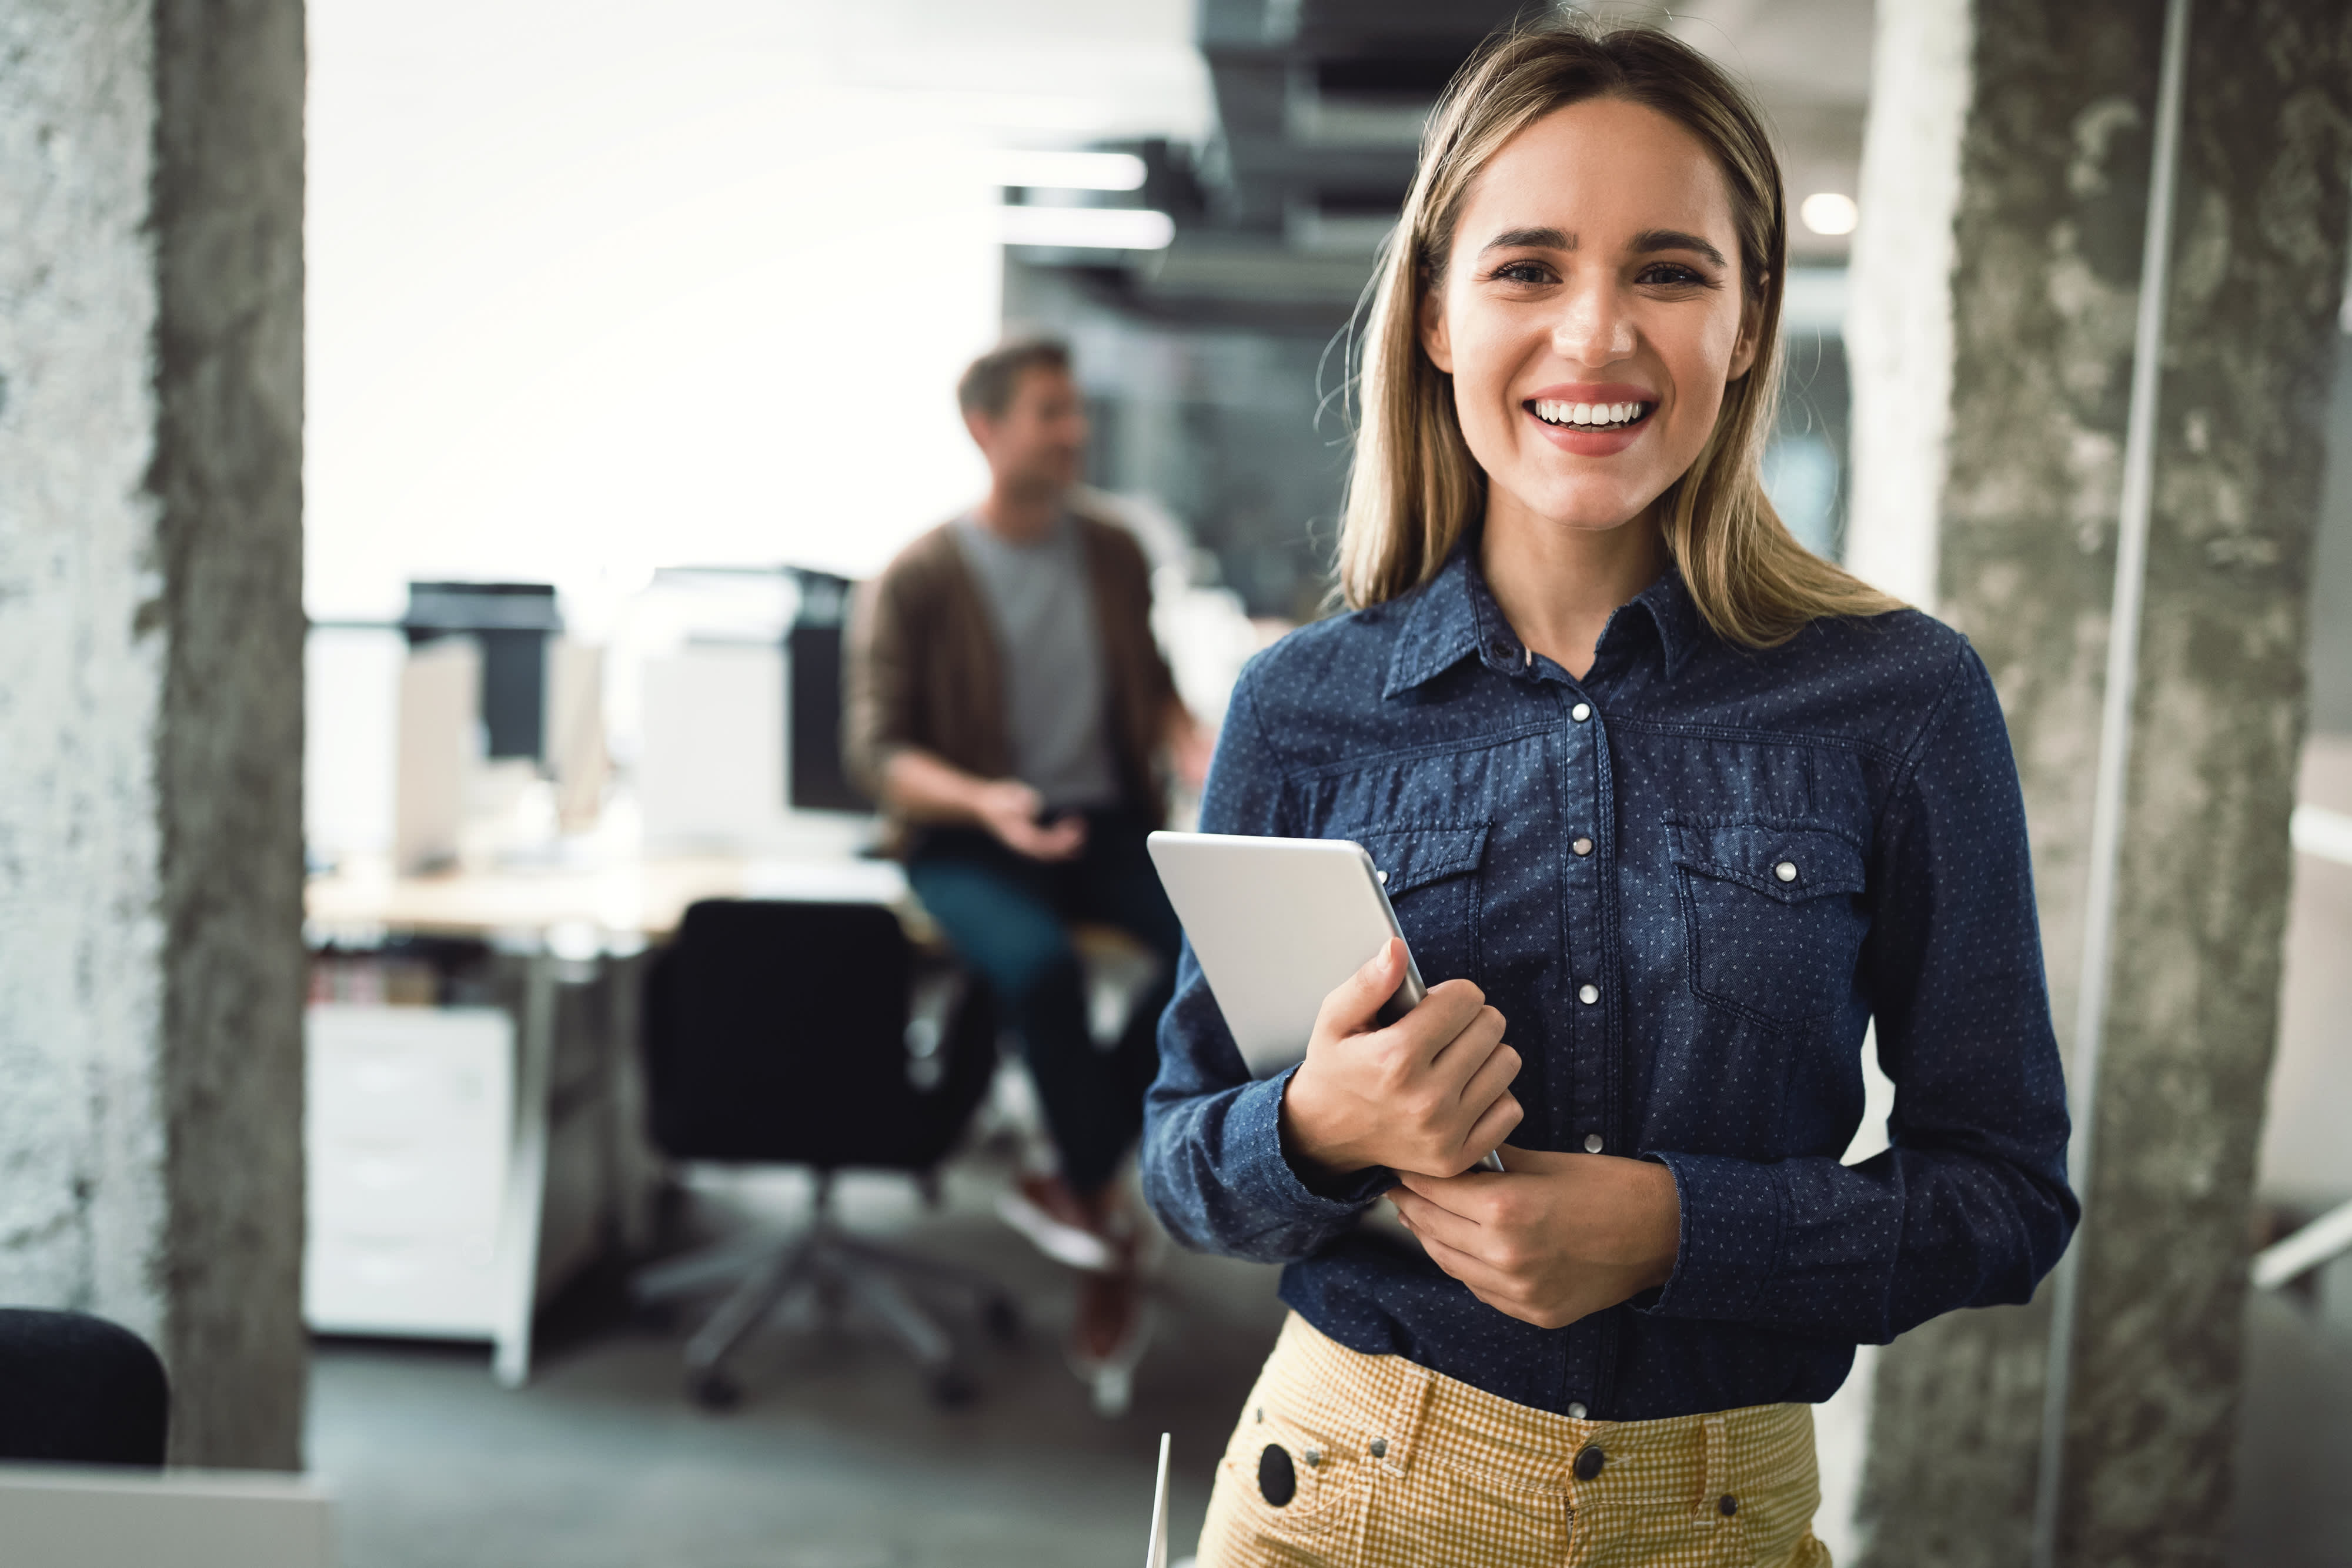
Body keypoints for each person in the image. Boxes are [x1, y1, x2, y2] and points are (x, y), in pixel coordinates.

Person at [1141, 18, 2077, 1567]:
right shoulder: (1303, 708)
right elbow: (1185, 1166)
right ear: (1438, 310)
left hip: (1711, 1522)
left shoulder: (1899, 700)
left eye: (1668, 269)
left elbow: (2008, 1195)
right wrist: (1316, 1122)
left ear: (1750, 318)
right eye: (1527, 268)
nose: (1595, 336)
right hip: (1345, 1496)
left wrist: (1672, 1225)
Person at [844, 339, 1210, 1380]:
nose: (1074, 431)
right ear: (986, 429)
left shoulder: (1112, 551)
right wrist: (983, 800)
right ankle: (1099, 1210)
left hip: (1098, 823)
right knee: (1042, 972)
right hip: (970, 835)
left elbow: (1149, 678)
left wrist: (1194, 734)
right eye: (1051, 413)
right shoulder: (915, 576)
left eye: (1075, 410)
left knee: (1213, 951)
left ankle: (1075, 1183)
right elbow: (877, 753)